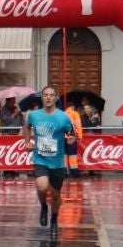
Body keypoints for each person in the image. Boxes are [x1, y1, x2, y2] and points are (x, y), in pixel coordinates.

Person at [26, 86, 78, 230]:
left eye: (51, 95)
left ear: (55, 98)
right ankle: (43, 206)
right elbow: (27, 126)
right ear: (42, 98)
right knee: (42, 186)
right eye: (45, 95)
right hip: (40, 159)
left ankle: (54, 219)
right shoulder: (34, 115)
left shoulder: (63, 117)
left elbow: (72, 134)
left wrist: (71, 140)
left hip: (57, 162)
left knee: (56, 195)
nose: (48, 97)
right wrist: (26, 141)